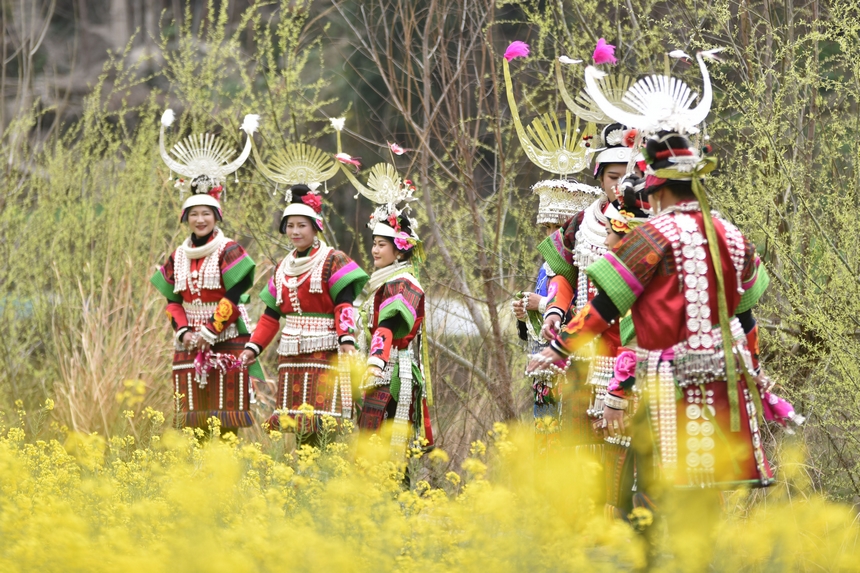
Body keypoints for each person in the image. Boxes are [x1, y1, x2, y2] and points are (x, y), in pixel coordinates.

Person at [150, 110, 260, 436]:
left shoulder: (230, 250)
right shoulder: (178, 256)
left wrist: (211, 331)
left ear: (216, 216)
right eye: (194, 214)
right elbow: (173, 302)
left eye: (206, 214)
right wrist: (184, 332)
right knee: (194, 424)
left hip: (226, 339)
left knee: (226, 424)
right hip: (188, 344)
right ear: (186, 218)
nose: (200, 220)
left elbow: (235, 295)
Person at [239, 181, 368, 445]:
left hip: (326, 350)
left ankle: (326, 477)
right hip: (292, 356)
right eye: (290, 225)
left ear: (315, 227)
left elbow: (344, 304)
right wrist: (252, 348)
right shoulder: (283, 268)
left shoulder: (333, 259)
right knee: (299, 425)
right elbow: (270, 316)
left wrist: (347, 342)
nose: (295, 231)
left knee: (324, 424)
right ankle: (307, 478)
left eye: (302, 225)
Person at [512, 178, 602, 449]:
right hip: (545, 371)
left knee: (570, 443)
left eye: (558, 227)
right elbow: (541, 319)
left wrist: (541, 305)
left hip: (575, 367)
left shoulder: (585, 265)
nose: (551, 234)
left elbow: (590, 313)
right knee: (545, 442)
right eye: (547, 227)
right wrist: (524, 316)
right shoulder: (546, 268)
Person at [355, 206, 433, 456]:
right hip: (380, 373)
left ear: (399, 248)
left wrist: (375, 362)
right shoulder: (385, 282)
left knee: (389, 450)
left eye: (381, 245)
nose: (375, 250)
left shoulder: (403, 283)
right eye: (374, 244)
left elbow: (388, 325)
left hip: (393, 374)